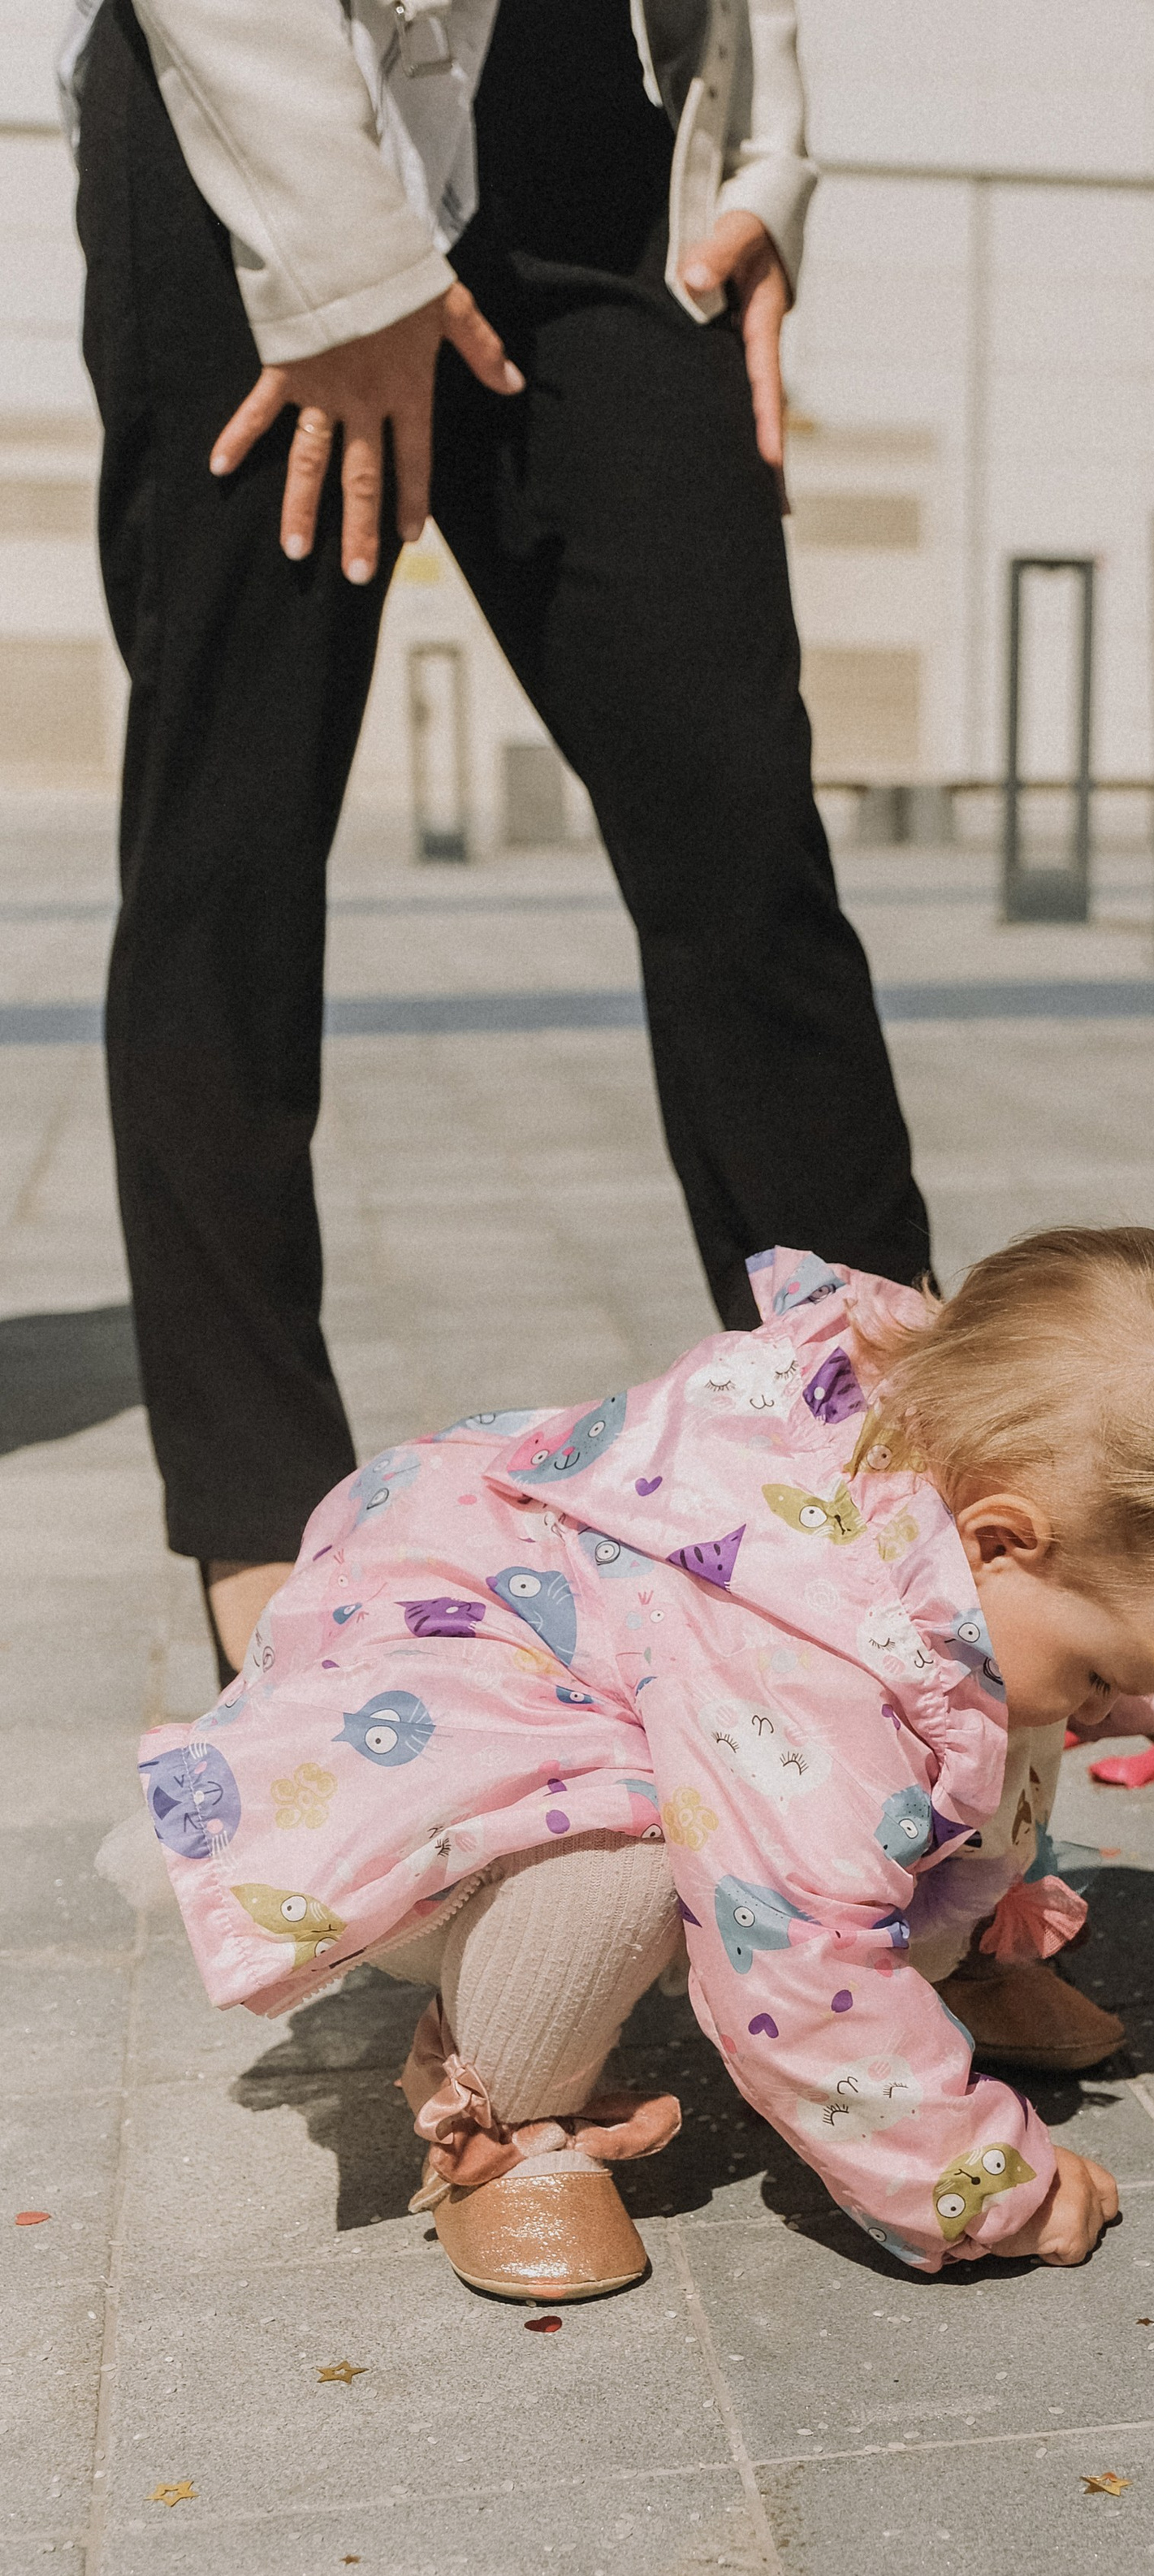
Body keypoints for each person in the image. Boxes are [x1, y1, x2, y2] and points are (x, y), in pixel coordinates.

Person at [67, 0, 932, 1676]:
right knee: (230, 848)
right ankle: (267, 1539)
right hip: (256, 123)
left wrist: (765, 156)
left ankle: (899, 1461)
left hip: (604, 149)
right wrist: (332, 250)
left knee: (740, 837)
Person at [136, 1229, 1154, 2298]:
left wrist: (1149, 1682)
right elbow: (795, 1962)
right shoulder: (798, 1642)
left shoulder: (963, 1498)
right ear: (1004, 1535)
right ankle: (506, 2112)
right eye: (1109, 1672)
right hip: (434, 1770)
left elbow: (1013, 1639)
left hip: (687, 1673)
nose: (1113, 1698)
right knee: (631, 1858)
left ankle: (953, 1956)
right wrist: (981, 2185)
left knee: (1001, 1702)